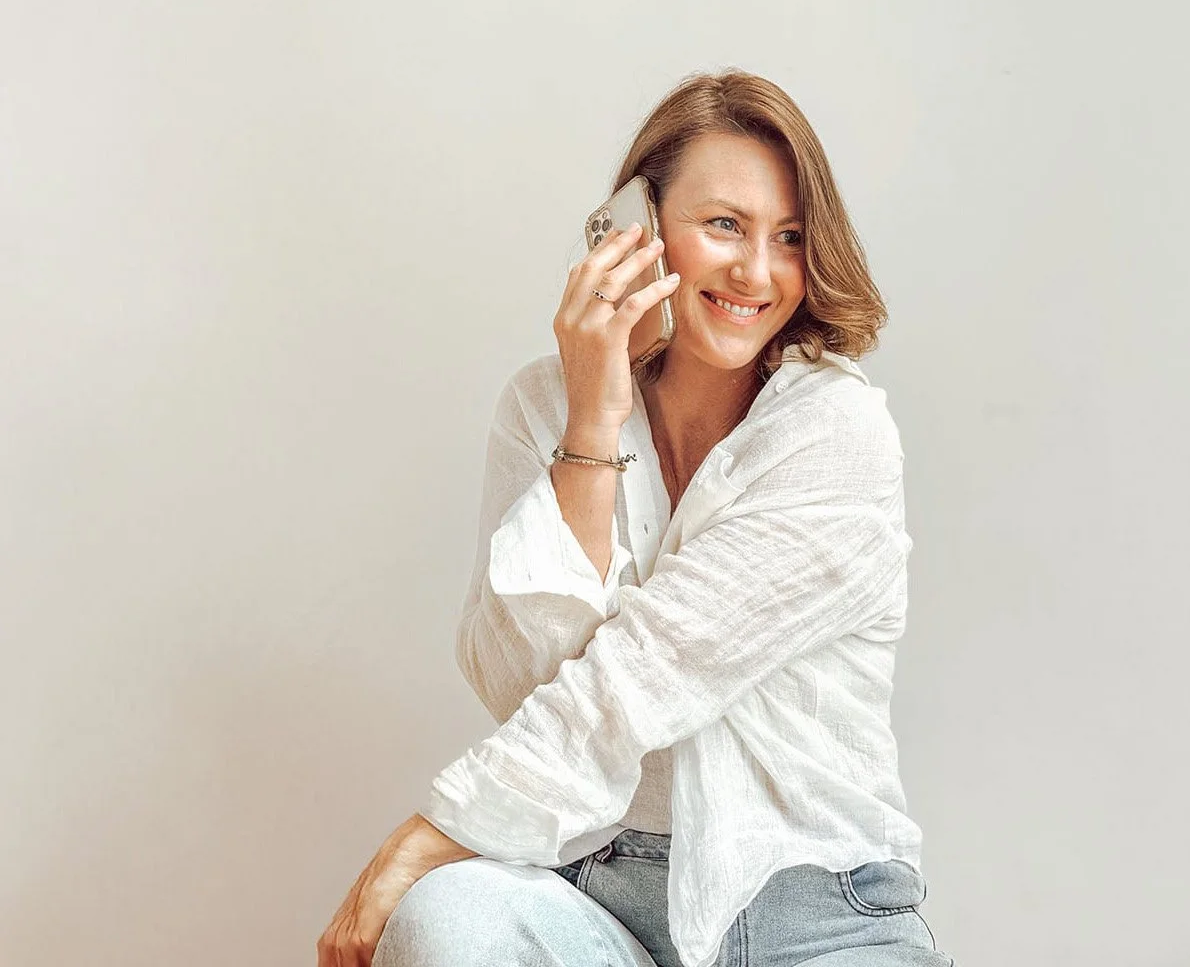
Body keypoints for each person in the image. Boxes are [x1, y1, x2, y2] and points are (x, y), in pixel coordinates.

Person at [317, 70, 950, 967]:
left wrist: (431, 833)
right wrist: (592, 424)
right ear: (637, 229)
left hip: (816, 913)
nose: (756, 271)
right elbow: (518, 681)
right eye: (724, 225)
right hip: (596, 894)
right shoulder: (545, 405)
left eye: (790, 237)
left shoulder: (835, 433)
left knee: (432, 876)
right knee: (447, 922)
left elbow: (649, 672)